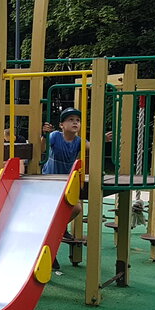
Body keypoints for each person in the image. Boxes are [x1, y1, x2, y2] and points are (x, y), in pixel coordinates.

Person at [41, 108, 86, 272]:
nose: (75, 122)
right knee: (51, 214)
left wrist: (103, 140)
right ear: (61, 125)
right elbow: (41, 148)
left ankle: (59, 228)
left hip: (65, 184)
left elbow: (92, 147)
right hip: (49, 181)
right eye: (71, 119)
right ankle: (55, 236)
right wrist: (44, 135)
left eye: (78, 120)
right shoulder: (55, 136)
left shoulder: (78, 141)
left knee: (77, 208)